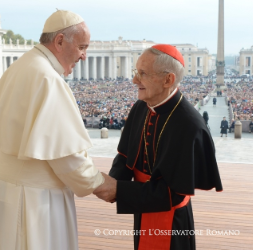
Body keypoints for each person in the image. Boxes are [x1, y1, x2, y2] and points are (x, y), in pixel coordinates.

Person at [0, 10, 105, 250]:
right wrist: (100, 183)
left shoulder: (23, 64)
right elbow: (67, 157)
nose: (84, 56)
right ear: (59, 41)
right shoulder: (48, 78)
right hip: (31, 198)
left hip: (2, 184)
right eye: (82, 47)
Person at [93, 44, 223, 250]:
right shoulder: (140, 106)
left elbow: (173, 193)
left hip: (171, 221)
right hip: (142, 205)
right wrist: (112, 182)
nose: (134, 80)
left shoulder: (189, 125)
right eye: (136, 72)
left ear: (168, 79)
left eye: (142, 74)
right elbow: (126, 155)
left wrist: (118, 190)